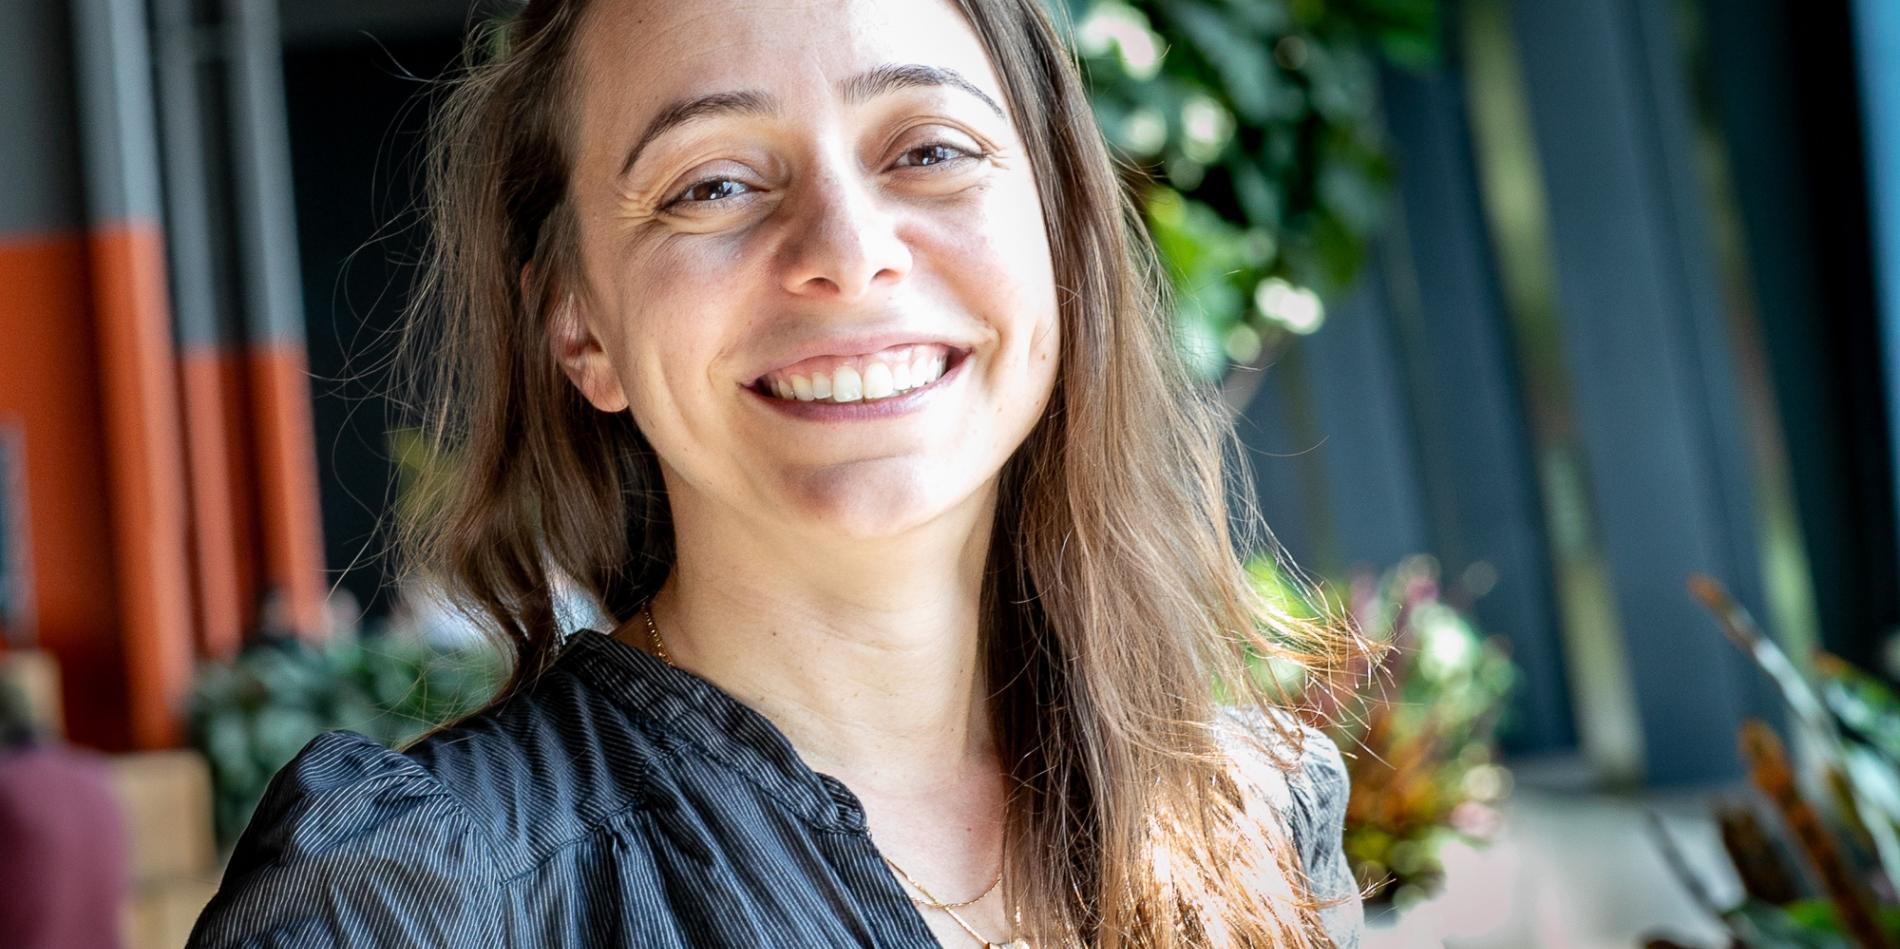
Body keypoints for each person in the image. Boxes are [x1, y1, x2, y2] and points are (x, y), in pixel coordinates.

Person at [188, 0, 1370, 945]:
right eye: (711, 184)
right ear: (580, 327)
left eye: (928, 149)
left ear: (1060, 230)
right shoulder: (414, 905)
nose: (849, 256)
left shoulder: (1255, 816)